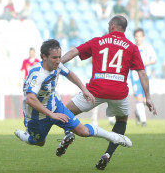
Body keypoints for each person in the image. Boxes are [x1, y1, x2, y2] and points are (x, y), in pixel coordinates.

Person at [61, 15, 157, 170]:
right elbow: (142, 73)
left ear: (112, 26)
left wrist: (58, 64)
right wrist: (148, 98)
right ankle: (107, 154)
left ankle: (68, 133)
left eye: (108, 24)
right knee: (121, 121)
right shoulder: (132, 47)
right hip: (119, 93)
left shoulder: (98, 41)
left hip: (95, 90)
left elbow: (74, 52)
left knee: (66, 112)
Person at [14, 39, 132, 159]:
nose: (58, 61)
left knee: (83, 131)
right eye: (54, 57)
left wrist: (84, 89)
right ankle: (23, 135)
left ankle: (115, 137)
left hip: (55, 106)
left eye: (60, 57)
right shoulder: (37, 74)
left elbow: (70, 74)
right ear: (44, 57)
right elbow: (30, 99)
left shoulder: (57, 65)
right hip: (36, 116)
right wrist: (51, 114)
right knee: (39, 142)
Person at [130, 28, 157, 127]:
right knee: (139, 97)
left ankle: (138, 113)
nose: (138, 38)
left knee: (144, 98)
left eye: (140, 36)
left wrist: (146, 63)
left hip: (145, 74)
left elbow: (154, 60)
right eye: (136, 36)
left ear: (143, 37)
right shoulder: (131, 47)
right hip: (134, 75)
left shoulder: (148, 48)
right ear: (134, 37)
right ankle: (144, 121)